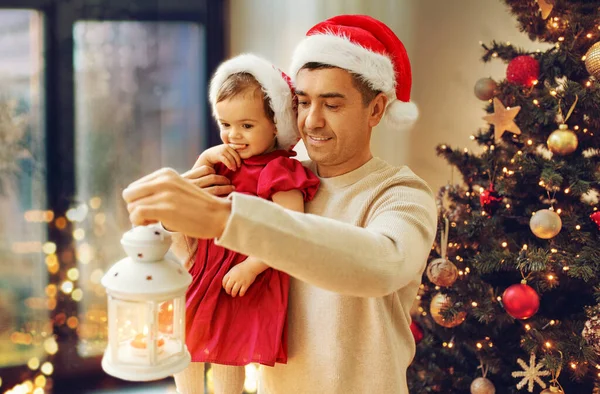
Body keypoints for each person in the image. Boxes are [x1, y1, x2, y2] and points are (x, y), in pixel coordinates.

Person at [123, 15, 437, 394]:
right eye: (303, 102)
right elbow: (194, 266)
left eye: (332, 105)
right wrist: (179, 217)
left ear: (376, 110)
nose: (312, 121)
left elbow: (381, 265)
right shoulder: (269, 178)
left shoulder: (401, 194)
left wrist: (227, 219)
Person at [170, 54, 320, 394]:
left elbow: (290, 229)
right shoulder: (225, 160)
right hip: (206, 268)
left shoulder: (279, 171)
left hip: (243, 273)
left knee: (227, 349)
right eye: (225, 125)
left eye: (246, 126)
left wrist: (252, 267)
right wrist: (203, 160)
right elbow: (194, 197)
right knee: (183, 340)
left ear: (276, 125)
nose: (233, 136)